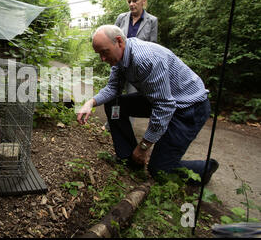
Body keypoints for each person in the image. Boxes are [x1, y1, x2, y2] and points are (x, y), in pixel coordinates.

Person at [77, 25, 219, 185]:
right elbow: (113, 89)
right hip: (162, 99)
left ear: (118, 42)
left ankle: (205, 168)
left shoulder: (145, 59)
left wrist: (144, 146)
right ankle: (129, 158)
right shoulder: (119, 59)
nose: (102, 59)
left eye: (104, 52)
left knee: (159, 170)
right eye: (99, 54)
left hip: (188, 107)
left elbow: (164, 106)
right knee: (114, 104)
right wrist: (90, 103)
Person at [103, 0, 158, 131]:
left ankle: (128, 128)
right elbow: (111, 38)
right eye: (129, 1)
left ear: (143, 1)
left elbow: (153, 46)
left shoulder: (152, 21)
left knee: (131, 97)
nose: (132, 4)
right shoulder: (121, 18)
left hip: (137, 66)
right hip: (120, 63)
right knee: (114, 93)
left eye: (135, 0)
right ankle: (111, 123)